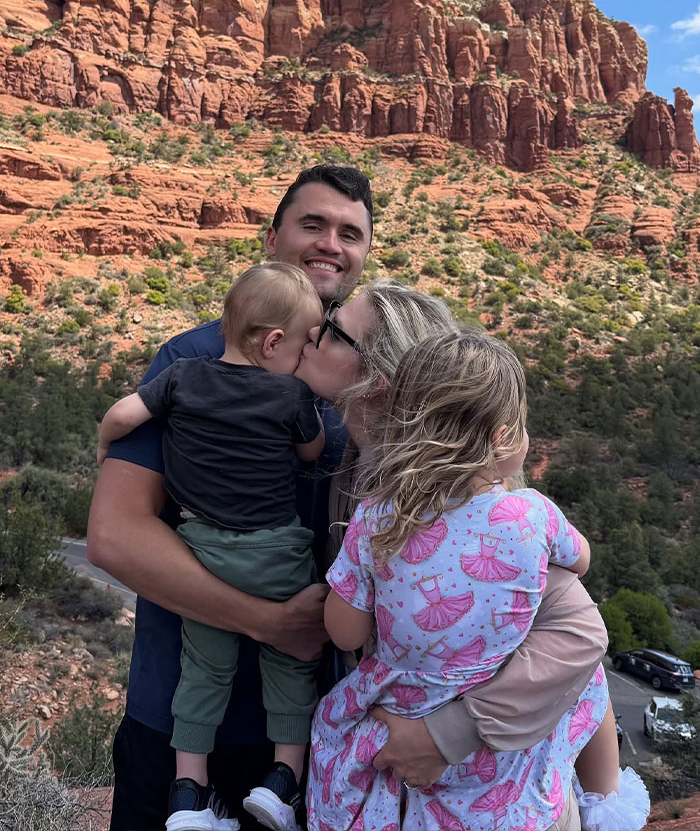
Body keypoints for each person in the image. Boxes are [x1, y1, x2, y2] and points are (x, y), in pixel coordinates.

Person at [88, 166, 607, 831]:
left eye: (351, 233)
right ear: (272, 236)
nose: (331, 243)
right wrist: (269, 620)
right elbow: (112, 536)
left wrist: (451, 732)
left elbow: (568, 625)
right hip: (187, 717)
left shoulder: (430, 438)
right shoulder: (193, 363)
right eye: (312, 224)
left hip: (330, 738)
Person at [303, 330, 649, 831]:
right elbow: (582, 561)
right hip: (503, 764)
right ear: (504, 437)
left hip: (401, 723)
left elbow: (346, 633)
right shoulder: (531, 515)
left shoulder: (377, 518)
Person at [97, 263, 327, 831]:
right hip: (277, 552)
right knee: (292, 665)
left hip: (202, 551)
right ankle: (283, 782)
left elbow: (123, 414)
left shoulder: (182, 374)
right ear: (275, 342)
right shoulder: (293, 392)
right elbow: (310, 452)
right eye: (301, 346)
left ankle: (188, 797)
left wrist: (104, 449)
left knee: (202, 671)